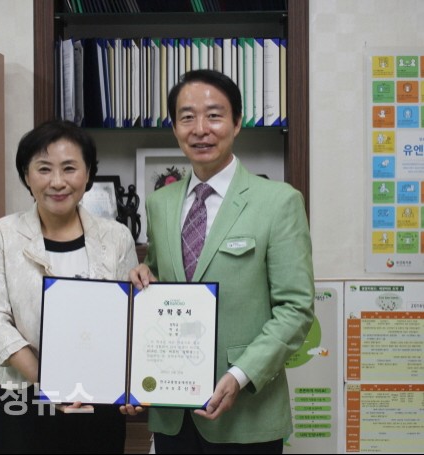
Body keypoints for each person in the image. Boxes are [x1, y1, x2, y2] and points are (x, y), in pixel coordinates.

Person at [124, 69, 315, 454]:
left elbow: (296, 308)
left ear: (237, 122)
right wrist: (147, 275)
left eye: (214, 115)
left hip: (247, 413)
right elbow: (164, 283)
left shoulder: (278, 201)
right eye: (187, 117)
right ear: (174, 127)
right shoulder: (160, 203)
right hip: (172, 411)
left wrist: (241, 375)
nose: (200, 129)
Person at [0, 120, 138, 454]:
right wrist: (49, 383)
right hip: (23, 398)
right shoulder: (0, 235)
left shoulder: (116, 237)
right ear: (26, 175)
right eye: (44, 169)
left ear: (88, 174)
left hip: (98, 397)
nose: (58, 182)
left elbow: (130, 320)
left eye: (70, 168)